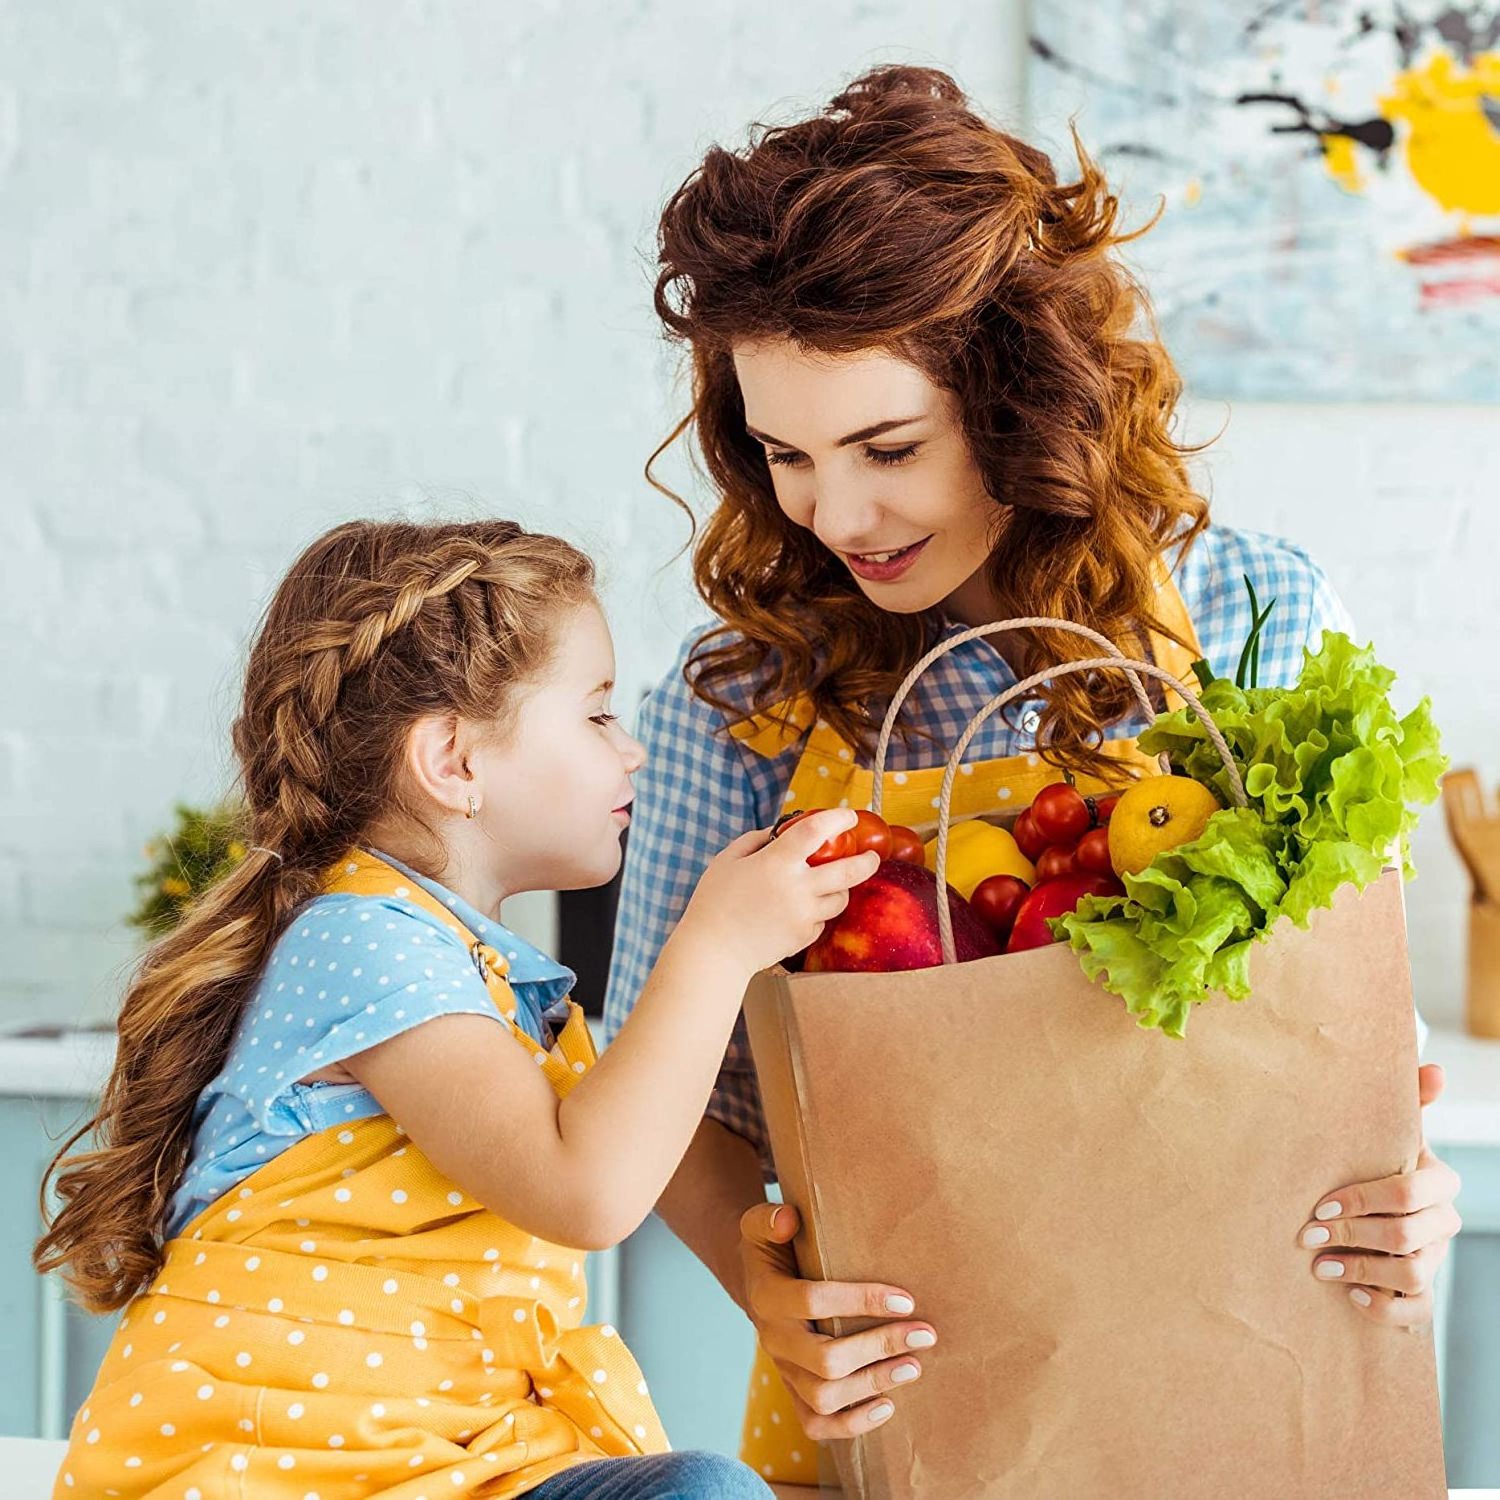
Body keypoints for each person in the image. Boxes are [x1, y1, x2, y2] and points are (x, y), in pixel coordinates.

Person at [605, 64, 1463, 1486]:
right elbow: (669, 1092)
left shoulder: (1257, 614)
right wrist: (768, 1295)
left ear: (1018, 397)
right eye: (787, 457)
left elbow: (1346, 1045)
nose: (839, 516)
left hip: (1250, 1374)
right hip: (913, 1401)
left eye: (889, 448)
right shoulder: (739, 696)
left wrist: (1408, 1203)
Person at [35, 518, 876, 1499]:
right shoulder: (363, 940)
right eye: (597, 716)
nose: (635, 753)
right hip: (285, 1475)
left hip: (451, 1466)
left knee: (702, 1489)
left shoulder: (467, 968)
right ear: (455, 762)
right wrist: (720, 944)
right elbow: (588, 1192)